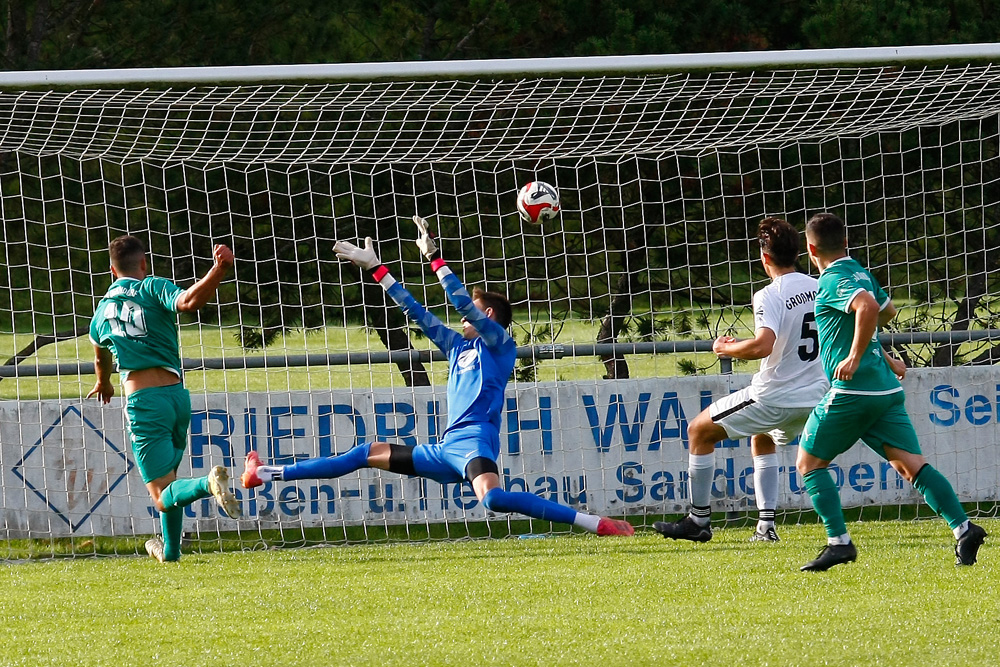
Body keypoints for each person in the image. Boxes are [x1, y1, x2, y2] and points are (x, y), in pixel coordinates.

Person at [241, 215, 634, 538]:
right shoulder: (458, 347)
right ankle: (265, 473)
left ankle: (596, 524)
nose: (462, 317)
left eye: (473, 312)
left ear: (489, 316)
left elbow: (462, 301)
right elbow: (415, 311)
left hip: (475, 442)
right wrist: (378, 269)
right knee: (366, 453)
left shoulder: (499, 344)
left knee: (494, 500)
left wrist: (436, 259)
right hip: (446, 449)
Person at [796, 212, 987, 571]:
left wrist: (854, 357)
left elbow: (867, 308)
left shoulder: (833, 278)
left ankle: (839, 542)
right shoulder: (859, 272)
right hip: (884, 390)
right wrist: (883, 355)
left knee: (808, 464)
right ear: (847, 241)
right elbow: (886, 311)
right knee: (910, 466)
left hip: (854, 391)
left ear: (810, 248)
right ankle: (964, 529)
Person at [654, 217, 829, 544]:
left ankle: (698, 520)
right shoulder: (820, 287)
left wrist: (727, 347)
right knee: (762, 438)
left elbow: (763, 344)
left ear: (765, 259)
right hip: (814, 399)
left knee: (698, 431)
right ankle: (766, 527)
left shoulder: (770, 294)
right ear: (800, 253)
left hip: (775, 397)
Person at [88, 235, 241, 563]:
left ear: (112, 270)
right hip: (176, 398)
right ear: (143, 264)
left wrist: (104, 384)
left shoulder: (101, 312)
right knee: (170, 483)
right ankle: (170, 552)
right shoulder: (152, 286)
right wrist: (218, 270)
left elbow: (101, 357)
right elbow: (187, 302)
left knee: (161, 496)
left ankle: (207, 484)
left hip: (144, 405)